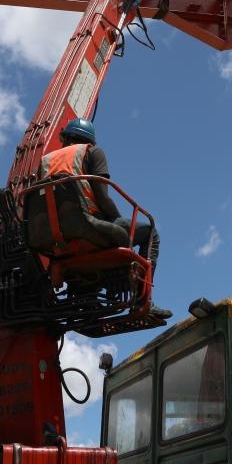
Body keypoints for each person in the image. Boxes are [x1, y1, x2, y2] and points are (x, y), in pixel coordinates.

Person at [39, 117, 172, 321]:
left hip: (51, 234)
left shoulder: (45, 161)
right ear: (89, 141)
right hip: (88, 225)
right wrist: (117, 221)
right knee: (150, 231)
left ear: (65, 137)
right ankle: (142, 299)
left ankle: (85, 292)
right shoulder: (92, 152)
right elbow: (102, 196)